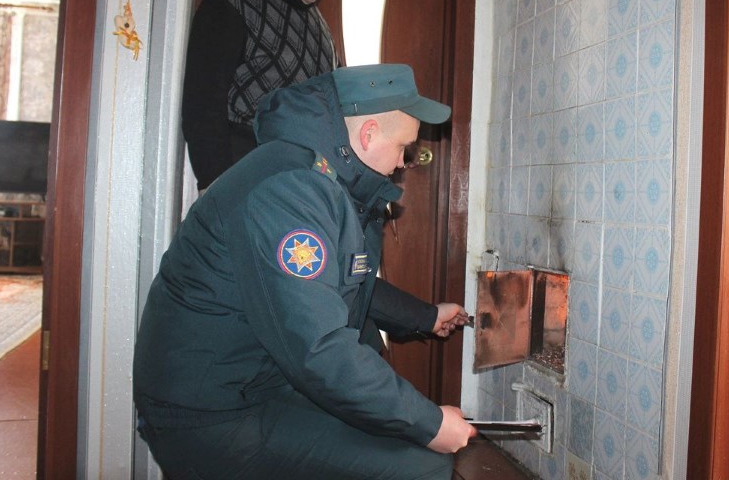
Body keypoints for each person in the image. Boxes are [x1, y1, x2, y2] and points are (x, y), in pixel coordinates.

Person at [134, 64, 477, 479]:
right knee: (422, 466)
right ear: (369, 135)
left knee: (406, 445)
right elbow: (320, 347)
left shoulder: (312, 175)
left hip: (252, 385)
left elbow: (339, 284)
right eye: (404, 148)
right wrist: (431, 424)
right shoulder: (292, 190)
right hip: (208, 413)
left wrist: (425, 316)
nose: (403, 164)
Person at [181, 0, 344, 191]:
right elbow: (203, 97)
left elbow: (337, 108)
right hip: (243, 177)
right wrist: (214, 183)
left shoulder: (322, 29)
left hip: (302, 185)